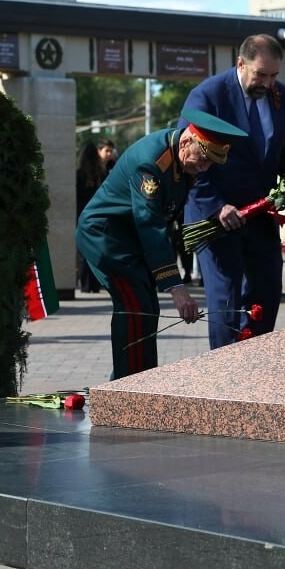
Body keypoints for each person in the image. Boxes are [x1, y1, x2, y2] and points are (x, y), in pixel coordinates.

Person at [76, 109, 248, 377]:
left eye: (209, 164)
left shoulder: (184, 159)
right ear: (185, 143)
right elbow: (150, 224)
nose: (203, 168)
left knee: (147, 307)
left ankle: (139, 380)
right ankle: (128, 388)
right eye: (201, 160)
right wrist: (176, 288)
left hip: (129, 238)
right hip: (106, 237)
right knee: (135, 305)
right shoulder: (152, 163)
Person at [182, 34, 285, 348]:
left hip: (259, 213)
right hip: (216, 216)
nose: (267, 83)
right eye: (260, 75)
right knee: (227, 296)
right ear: (240, 64)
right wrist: (217, 206)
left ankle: (254, 365)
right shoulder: (209, 95)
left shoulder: (282, 97)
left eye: (274, 76)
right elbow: (190, 159)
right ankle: (223, 375)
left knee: (268, 290)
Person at [74, 141, 105, 292]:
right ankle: (96, 283)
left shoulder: (78, 175)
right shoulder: (102, 174)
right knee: (97, 250)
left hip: (82, 215)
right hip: (99, 215)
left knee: (82, 252)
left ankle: (85, 285)